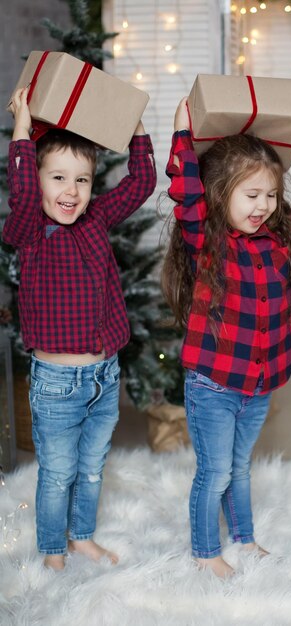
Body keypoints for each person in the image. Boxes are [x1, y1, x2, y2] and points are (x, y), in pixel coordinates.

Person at [162, 97, 291, 578]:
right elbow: (185, 193)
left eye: (270, 195)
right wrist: (182, 133)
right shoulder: (208, 241)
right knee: (215, 472)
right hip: (214, 386)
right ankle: (204, 554)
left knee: (240, 470)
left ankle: (242, 540)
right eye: (251, 195)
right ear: (221, 195)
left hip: (258, 385)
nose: (263, 205)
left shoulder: (282, 239)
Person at [3, 87, 156, 571]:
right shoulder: (29, 231)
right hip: (55, 382)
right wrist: (24, 130)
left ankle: (82, 537)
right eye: (59, 179)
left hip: (104, 376)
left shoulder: (96, 219)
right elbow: (24, 192)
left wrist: (133, 125)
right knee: (58, 472)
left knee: (91, 470)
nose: (71, 191)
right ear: (41, 182)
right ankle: (52, 551)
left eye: (82, 180)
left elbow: (142, 181)